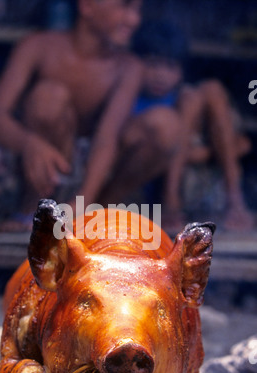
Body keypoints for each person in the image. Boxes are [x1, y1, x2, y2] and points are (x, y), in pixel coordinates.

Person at [0, 0, 143, 230]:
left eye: (137, 10)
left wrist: (83, 201)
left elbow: (107, 138)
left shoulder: (128, 67)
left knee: (165, 127)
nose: (134, 20)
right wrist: (29, 143)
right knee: (48, 97)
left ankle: (90, 214)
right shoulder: (38, 46)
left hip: (88, 171)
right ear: (87, 6)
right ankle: (31, 210)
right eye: (124, 7)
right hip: (30, 166)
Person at [107, 20, 254, 231]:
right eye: (153, 64)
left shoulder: (182, 99)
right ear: (135, 61)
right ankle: (170, 201)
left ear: (182, 71)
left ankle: (235, 201)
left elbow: (243, 144)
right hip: (142, 185)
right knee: (191, 100)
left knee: (209, 90)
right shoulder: (128, 97)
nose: (161, 74)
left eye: (170, 66)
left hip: (183, 181)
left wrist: (198, 151)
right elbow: (132, 150)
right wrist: (202, 153)